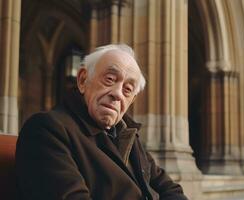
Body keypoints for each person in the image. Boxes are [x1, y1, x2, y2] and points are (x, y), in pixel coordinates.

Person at [15, 44, 188, 200]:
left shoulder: (129, 136)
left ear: (131, 101)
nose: (118, 94)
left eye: (127, 89)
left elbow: (171, 190)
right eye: (110, 79)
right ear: (83, 80)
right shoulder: (47, 130)